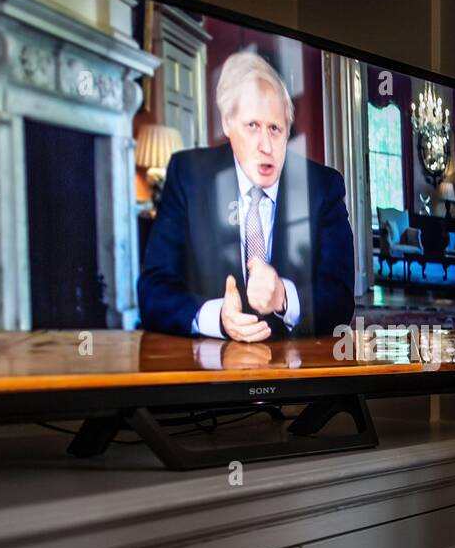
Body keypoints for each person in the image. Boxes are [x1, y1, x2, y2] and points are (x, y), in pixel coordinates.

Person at [137, 49, 355, 341]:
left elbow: (340, 300)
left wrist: (284, 297)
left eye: (275, 129)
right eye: (253, 126)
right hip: (212, 372)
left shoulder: (323, 187)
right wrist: (216, 317)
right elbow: (154, 291)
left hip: (294, 371)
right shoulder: (188, 176)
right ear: (227, 123)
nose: (266, 145)